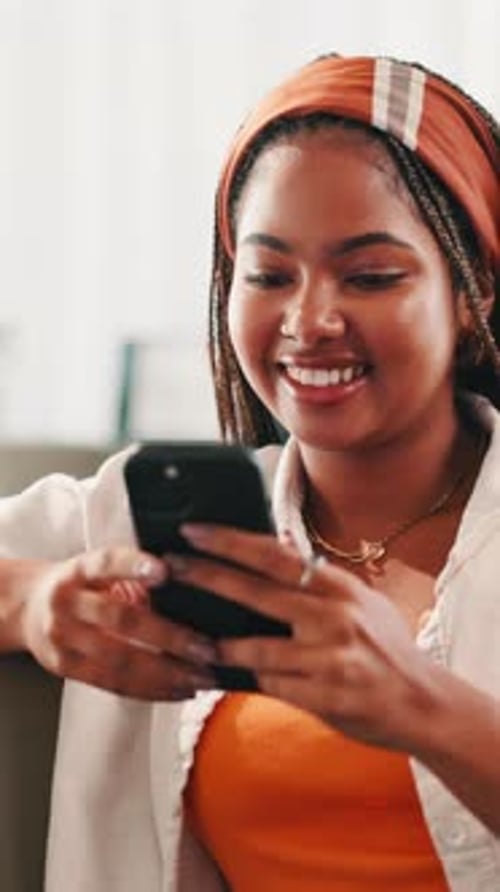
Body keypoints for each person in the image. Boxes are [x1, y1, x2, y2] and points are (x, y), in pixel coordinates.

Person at [0, 52, 499, 890]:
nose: (308, 320)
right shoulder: (131, 519)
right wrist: (32, 603)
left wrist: (420, 705)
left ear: (471, 289)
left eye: (371, 276)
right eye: (268, 275)